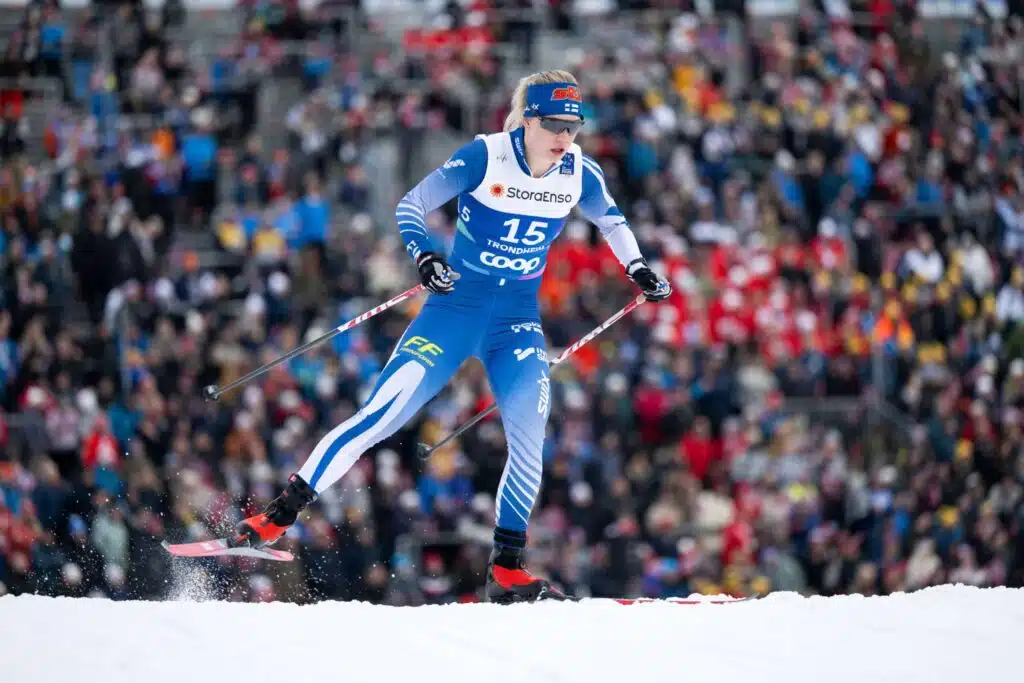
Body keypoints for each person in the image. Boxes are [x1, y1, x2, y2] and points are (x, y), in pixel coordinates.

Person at [233, 70, 672, 603]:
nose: (565, 137)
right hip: (453, 313)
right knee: (380, 416)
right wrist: (424, 256)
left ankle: (507, 568)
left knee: (530, 437)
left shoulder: (579, 172)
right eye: (555, 124)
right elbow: (410, 206)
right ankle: (275, 519)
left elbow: (613, 222)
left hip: (515, 325)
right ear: (529, 119)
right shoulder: (485, 156)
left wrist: (638, 268)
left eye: (573, 126)